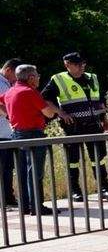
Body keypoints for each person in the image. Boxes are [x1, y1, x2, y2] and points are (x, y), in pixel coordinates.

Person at [41, 51, 108, 202]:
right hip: (73, 126)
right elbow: (45, 99)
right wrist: (61, 113)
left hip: (94, 124)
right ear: (67, 65)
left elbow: (100, 100)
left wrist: (105, 119)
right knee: (73, 159)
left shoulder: (92, 78)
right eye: (78, 65)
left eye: (83, 64)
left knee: (99, 158)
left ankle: (104, 189)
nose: (81, 67)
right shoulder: (58, 79)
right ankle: (75, 191)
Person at [4, 64, 61, 216]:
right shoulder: (30, 92)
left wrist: (9, 115)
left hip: (17, 134)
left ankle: (25, 206)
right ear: (30, 78)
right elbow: (48, 113)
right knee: (35, 171)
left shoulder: (10, 91)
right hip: (34, 134)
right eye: (37, 75)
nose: (39, 78)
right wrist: (55, 110)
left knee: (22, 171)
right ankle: (37, 206)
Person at [0, 58, 19, 207]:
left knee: (8, 168)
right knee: (2, 168)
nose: (17, 78)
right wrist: (10, 115)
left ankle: (8, 197)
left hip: (8, 133)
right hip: (1, 132)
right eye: (16, 74)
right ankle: (3, 199)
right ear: (8, 70)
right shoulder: (0, 83)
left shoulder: (8, 83)